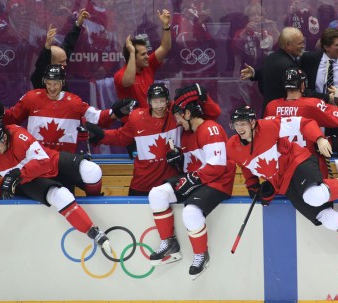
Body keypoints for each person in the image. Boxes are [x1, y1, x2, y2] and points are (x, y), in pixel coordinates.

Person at [226, 105, 338, 262]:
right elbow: (244, 164)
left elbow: (305, 123)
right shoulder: (232, 146)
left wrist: (318, 138)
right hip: (283, 183)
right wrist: (253, 186)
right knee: (324, 217)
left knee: (313, 196)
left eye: (243, 124)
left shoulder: (269, 126)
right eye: (236, 124)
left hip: (298, 162)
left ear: (253, 122)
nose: (239, 128)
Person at [146, 89, 235, 280]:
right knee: (157, 194)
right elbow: (191, 167)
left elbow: (217, 167)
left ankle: (201, 255)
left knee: (190, 211)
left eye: (178, 115)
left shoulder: (211, 129)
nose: (176, 120)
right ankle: (169, 244)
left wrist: (192, 178)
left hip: (218, 184)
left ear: (188, 113)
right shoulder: (186, 134)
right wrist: (178, 159)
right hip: (198, 180)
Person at [0, 120, 110, 250]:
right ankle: (93, 232)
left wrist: (20, 174)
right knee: (61, 195)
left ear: (4, 137)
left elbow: (44, 162)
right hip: (26, 182)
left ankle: (96, 204)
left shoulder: (19, 136)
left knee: (92, 171)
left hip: (44, 163)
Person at [85, 83, 221, 196]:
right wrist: (101, 136)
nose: (159, 106)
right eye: (155, 101)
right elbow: (122, 137)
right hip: (142, 184)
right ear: (149, 102)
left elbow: (212, 114)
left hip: (170, 183)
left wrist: (204, 97)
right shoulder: (137, 118)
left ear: (168, 100)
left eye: (162, 101)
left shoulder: (177, 114)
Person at [0, 64, 135, 154]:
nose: (52, 88)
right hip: (36, 159)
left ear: (62, 82)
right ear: (44, 82)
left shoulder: (74, 102)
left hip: (65, 162)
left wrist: (115, 112)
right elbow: (13, 117)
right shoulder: (31, 98)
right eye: (49, 83)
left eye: (56, 83)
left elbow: (97, 117)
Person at [263, 67, 338, 176]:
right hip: (309, 166)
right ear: (303, 85)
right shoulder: (312, 105)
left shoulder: (271, 107)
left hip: (281, 167)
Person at [113, 9, 171, 107]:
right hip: (132, 122)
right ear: (132, 57)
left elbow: (165, 47)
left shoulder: (148, 65)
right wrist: (131, 52)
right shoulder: (120, 75)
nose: (147, 57)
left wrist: (166, 25)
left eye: (147, 53)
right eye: (143, 54)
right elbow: (128, 82)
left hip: (151, 119)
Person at [240, 27, 305, 112]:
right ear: (287, 45)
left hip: (269, 112)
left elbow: (270, 77)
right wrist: (326, 97)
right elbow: (298, 92)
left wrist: (255, 73)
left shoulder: (271, 57)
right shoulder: (289, 67)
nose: (302, 46)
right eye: (299, 43)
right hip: (282, 116)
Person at [30, 8, 90, 91]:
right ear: (52, 61)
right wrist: (47, 48)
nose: (65, 64)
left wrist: (78, 24)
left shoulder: (65, 92)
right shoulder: (39, 79)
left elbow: (69, 43)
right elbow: (40, 66)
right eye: (62, 61)